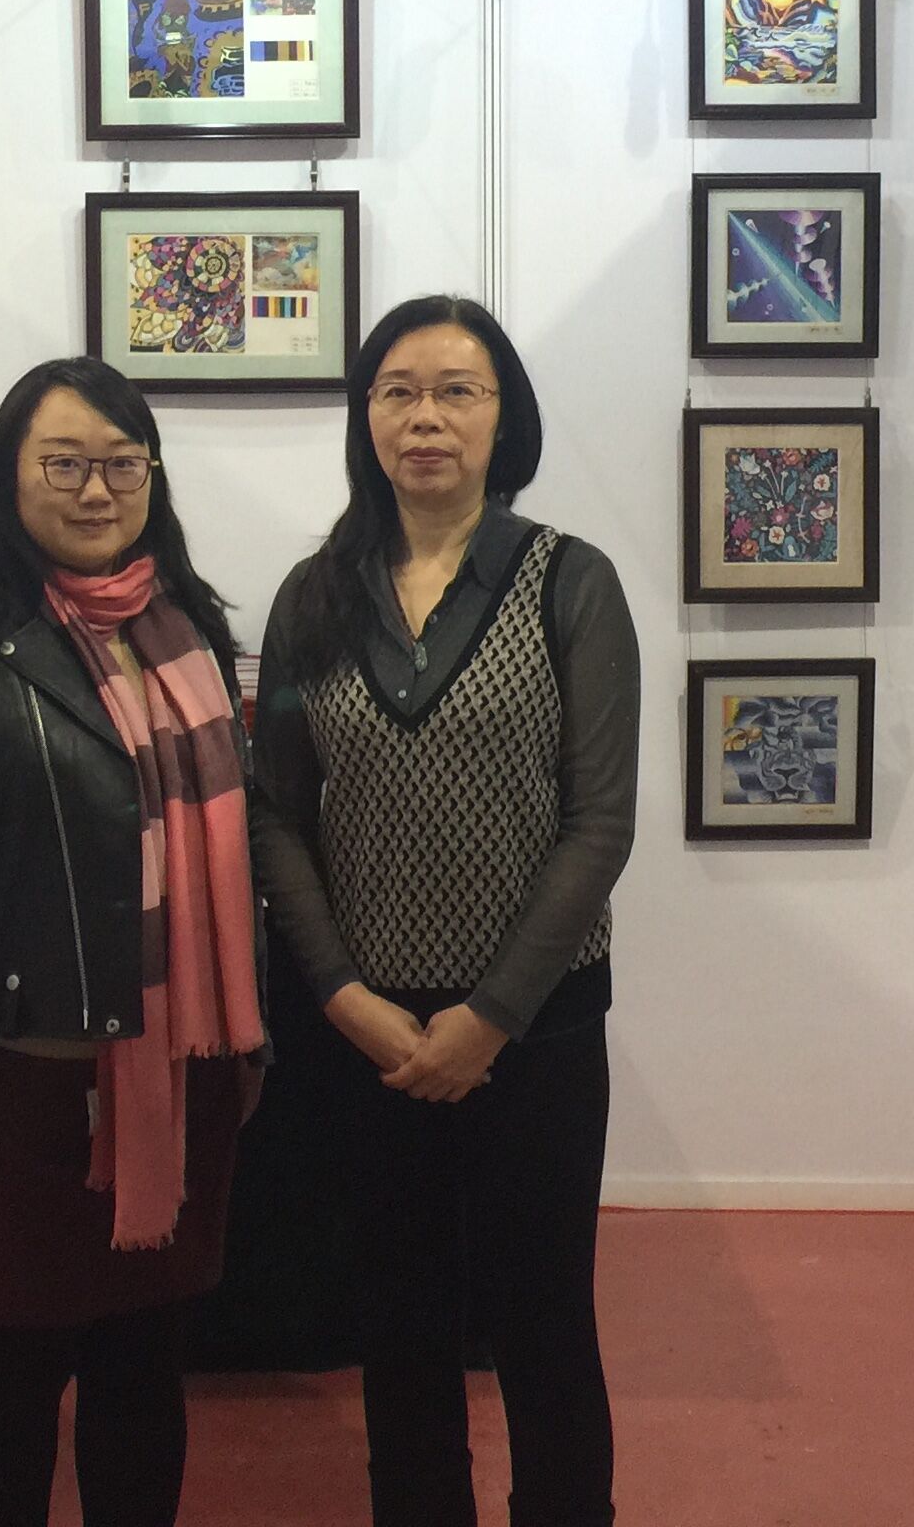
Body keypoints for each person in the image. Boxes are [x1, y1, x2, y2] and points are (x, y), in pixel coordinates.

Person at [0, 357, 267, 1527]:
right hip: (15, 1092)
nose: (95, 490)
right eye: (65, 463)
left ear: (152, 477)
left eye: (122, 464)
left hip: (178, 1082)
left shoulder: (189, 628)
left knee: (144, 1361)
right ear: (11, 476)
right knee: (13, 1369)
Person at [252, 296, 640, 1527]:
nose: (425, 418)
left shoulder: (571, 582)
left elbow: (600, 824)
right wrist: (342, 996)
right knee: (401, 1327)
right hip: (369, 1037)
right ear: (366, 417)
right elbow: (277, 816)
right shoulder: (314, 597)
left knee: (543, 1324)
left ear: (503, 418)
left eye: (457, 391)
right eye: (398, 392)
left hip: (536, 1032)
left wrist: (491, 1017)